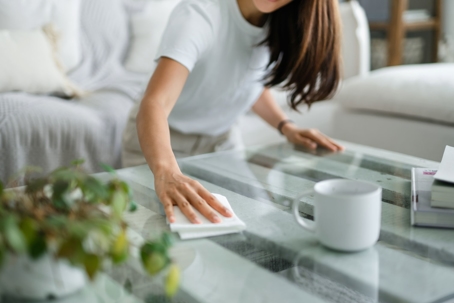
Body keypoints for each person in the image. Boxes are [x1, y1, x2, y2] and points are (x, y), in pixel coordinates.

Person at [122, 0, 344, 225]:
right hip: (162, 143)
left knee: (250, 221)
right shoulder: (200, 13)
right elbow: (155, 103)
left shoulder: (279, 22)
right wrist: (166, 172)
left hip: (221, 142)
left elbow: (248, 84)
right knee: (162, 229)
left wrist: (286, 126)